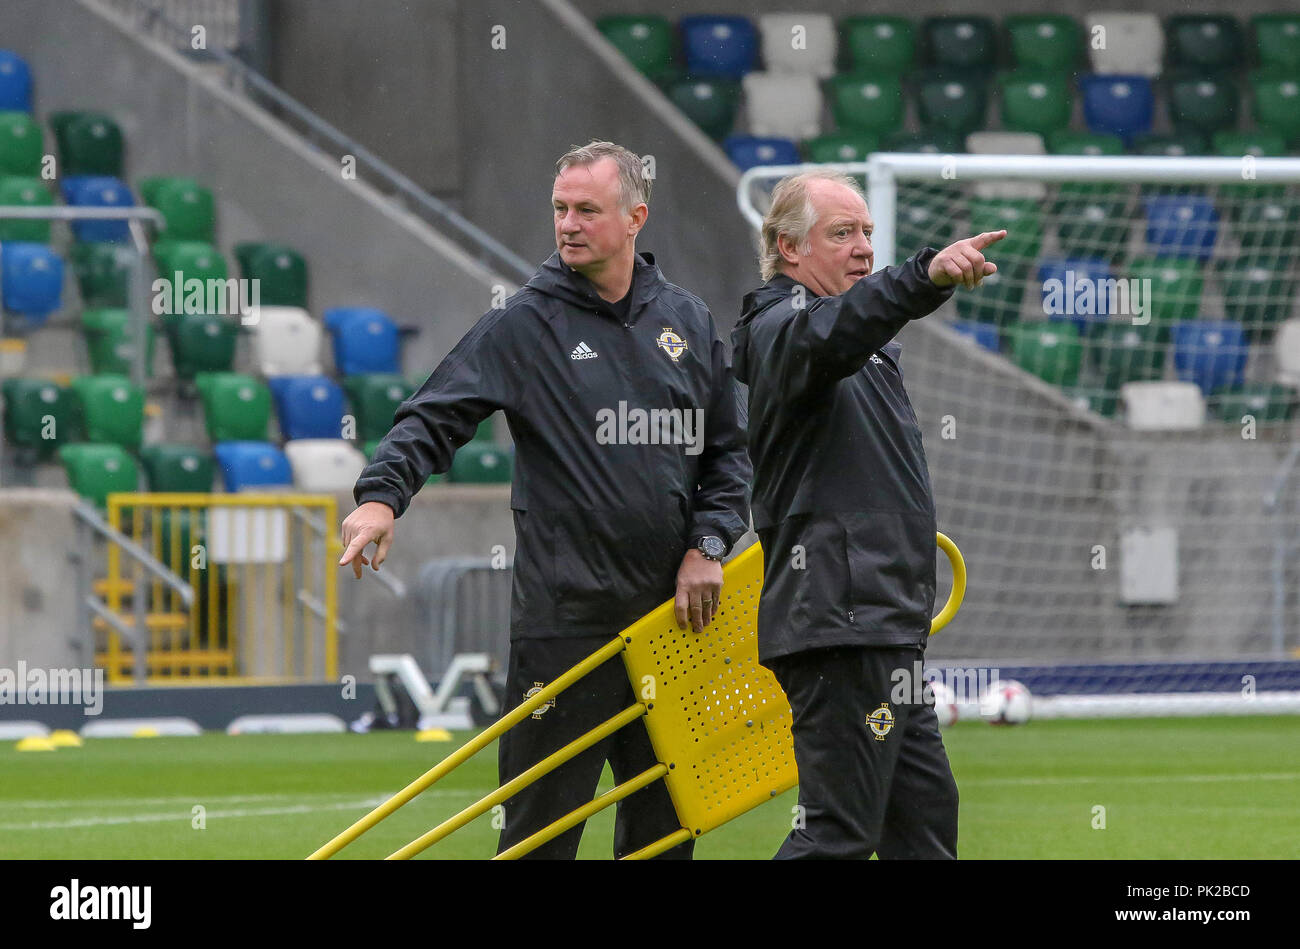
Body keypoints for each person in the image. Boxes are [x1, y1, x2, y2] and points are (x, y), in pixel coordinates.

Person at [339, 141, 750, 859]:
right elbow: (434, 415)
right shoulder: (524, 323)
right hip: (565, 625)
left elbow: (730, 454)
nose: (568, 224)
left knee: (666, 838)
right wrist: (381, 497)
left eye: (587, 209)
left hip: (675, 624)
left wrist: (708, 544)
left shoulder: (688, 322)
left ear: (635, 218)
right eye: (560, 209)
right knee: (539, 838)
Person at [730, 170, 1005, 859]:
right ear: (788, 248)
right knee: (838, 834)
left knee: (923, 826)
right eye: (843, 233)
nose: (862, 248)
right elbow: (841, 327)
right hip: (840, 622)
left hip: (881, 624)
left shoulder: (863, 347)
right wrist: (925, 275)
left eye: (868, 234)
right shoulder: (781, 329)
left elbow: (852, 327)